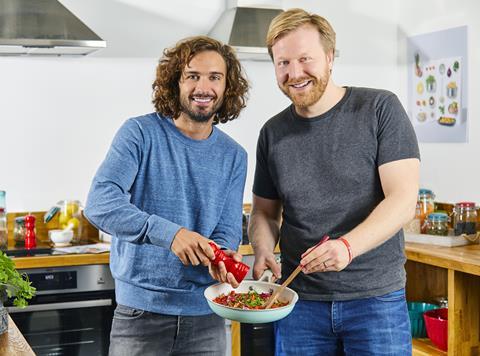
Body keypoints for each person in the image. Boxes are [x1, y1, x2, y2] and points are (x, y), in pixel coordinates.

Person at [249, 8, 420, 356]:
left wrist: (347, 247)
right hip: (299, 302)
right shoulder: (272, 133)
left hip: (375, 301)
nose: (294, 73)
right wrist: (264, 248)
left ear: (329, 58)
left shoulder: (379, 108)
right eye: (282, 63)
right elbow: (265, 212)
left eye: (304, 59)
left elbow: (403, 200)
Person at [84, 36, 249, 356]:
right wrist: (171, 235)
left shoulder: (234, 155)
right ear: (175, 82)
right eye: (192, 76)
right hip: (140, 317)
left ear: (228, 87)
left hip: (207, 315)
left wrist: (222, 256)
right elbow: (100, 203)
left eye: (215, 77)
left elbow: (227, 230)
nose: (204, 87)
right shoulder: (139, 133)